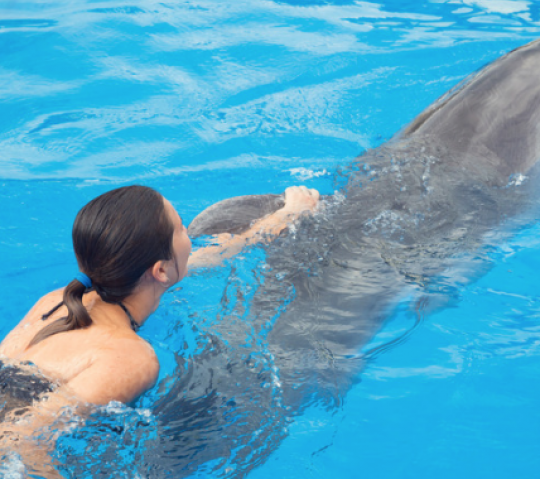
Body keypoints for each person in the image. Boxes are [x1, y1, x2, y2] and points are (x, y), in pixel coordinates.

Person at [0, 184, 319, 471]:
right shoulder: (131, 358)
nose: (189, 236)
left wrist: (286, 216)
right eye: (181, 228)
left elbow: (207, 257)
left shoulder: (58, 299)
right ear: (161, 271)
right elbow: (22, 443)